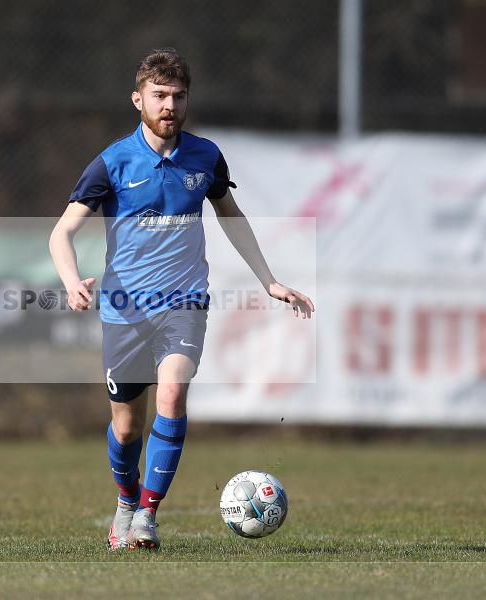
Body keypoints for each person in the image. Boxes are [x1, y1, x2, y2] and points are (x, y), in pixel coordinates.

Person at [49, 48, 314, 550]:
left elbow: (230, 216)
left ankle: (147, 516)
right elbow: (61, 233)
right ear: (138, 100)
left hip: (184, 303)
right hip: (125, 311)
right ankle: (126, 501)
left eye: (178, 95)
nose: (169, 105)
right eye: (159, 95)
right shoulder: (112, 163)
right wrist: (71, 280)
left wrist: (268, 280)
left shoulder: (205, 156)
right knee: (126, 429)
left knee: (171, 394)